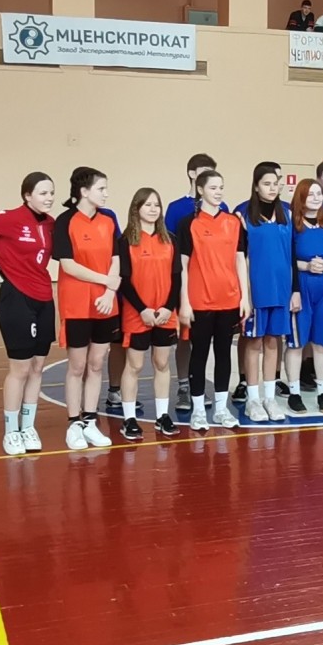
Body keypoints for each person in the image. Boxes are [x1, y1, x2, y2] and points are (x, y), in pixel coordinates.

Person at [0, 172, 56, 456]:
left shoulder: (51, 224)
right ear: (27, 195)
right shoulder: (10, 218)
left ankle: (28, 426)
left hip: (45, 297)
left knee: (38, 366)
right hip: (17, 298)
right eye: (43, 193)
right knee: (20, 368)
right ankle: (11, 430)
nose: (49, 198)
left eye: (51, 193)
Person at [54, 167, 120, 451]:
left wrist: (110, 292)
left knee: (96, 364)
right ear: (83, 191)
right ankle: (74, 423)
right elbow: (68, 265)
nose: (106, 193)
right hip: (77, 304)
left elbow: (116, 258)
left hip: (105, 303)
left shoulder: (108, 220)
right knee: (77, 365)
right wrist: (105, 281)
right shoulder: (65, 221)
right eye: (101, 188)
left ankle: (90, 421)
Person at [177, 169, 249, 431]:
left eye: (221, 187)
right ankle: (198, 410)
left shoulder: (233, 222)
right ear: (200, 190)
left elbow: (240, 260)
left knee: (223, 354)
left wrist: (245, 297)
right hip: (200, 302)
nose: (218, 192)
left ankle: (221, 409)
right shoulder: (188, 223)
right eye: (213, 188)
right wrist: (184, 302)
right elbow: (183, 266)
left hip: (229, 300)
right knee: (199, 354)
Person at [117, 188, 182, 440]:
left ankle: (162, 415)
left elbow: (177, 277)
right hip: (137, 313)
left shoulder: (170, 239)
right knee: (134, 365)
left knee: (162, 363)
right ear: (136, 209)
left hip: (165, 313)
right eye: (147, 205)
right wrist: (142, 309)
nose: (153, 209)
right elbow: (124, 279)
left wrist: (168, 307)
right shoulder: (126, 240)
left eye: (157, 205)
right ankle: (129, 418)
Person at [240, 161, 297, 423]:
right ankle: (252, 399)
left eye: (276, 184)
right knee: (254, 343)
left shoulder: (287, 213)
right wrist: (245, 295)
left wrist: (295, 290)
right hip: (256, 291)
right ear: (256, 186)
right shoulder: (243, 215)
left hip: (281, 289)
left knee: (273, 342)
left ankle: (269, 398)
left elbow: (292, 255)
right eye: (266, 184)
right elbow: (240, 259)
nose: (272, 188)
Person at [165, 153, 215, 413]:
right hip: (186, 281)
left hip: (211, 284)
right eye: (204, 172)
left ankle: (199, 384)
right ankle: (184, 385)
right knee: (185, 337)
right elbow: (169, 246)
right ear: (192, 175)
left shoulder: (220, 207)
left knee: (205, 339)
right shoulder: (176, 208)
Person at [284, 177, 323, 414]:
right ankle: (294, 393)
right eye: (311, 194)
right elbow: (286, 258)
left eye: (319, 193)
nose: (316, 198)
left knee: (322, 343)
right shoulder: (292, 225)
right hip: (301, 284)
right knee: (296, 342)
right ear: (301, 197)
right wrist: (306, 266)